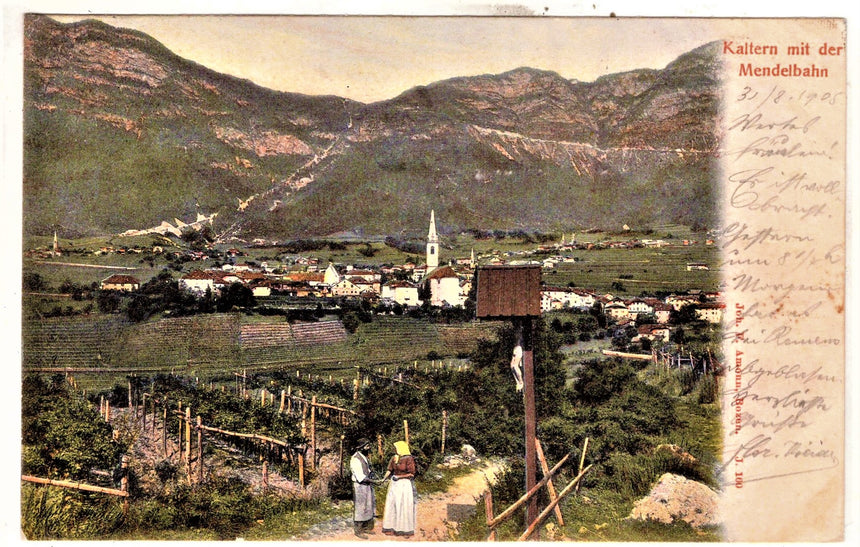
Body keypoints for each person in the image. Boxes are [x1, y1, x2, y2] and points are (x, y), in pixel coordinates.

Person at [381, 440, 417, 537]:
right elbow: (389, 470)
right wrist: (383, 479)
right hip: (394, 484)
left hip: (404, 484)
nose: (394, 449)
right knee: (392, 505)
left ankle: (405, 530)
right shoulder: (394, 458)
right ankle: (391, 527)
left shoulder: (409, 458)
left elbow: (411, 474)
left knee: (403, 505)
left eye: (396, 447)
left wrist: (399, 477)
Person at [350, 438, 377, 538]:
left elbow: (367, 471)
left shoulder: (364, 457)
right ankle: (358, 530)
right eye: (366, 446)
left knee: (368, 505)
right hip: (360, 485)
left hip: (366, 484)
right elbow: (360, 476)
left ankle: (365, 528)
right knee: (360, 507)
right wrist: (374, 481)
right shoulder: (355, 459)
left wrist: (372, 475)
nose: (368, 447)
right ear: (361, 448)